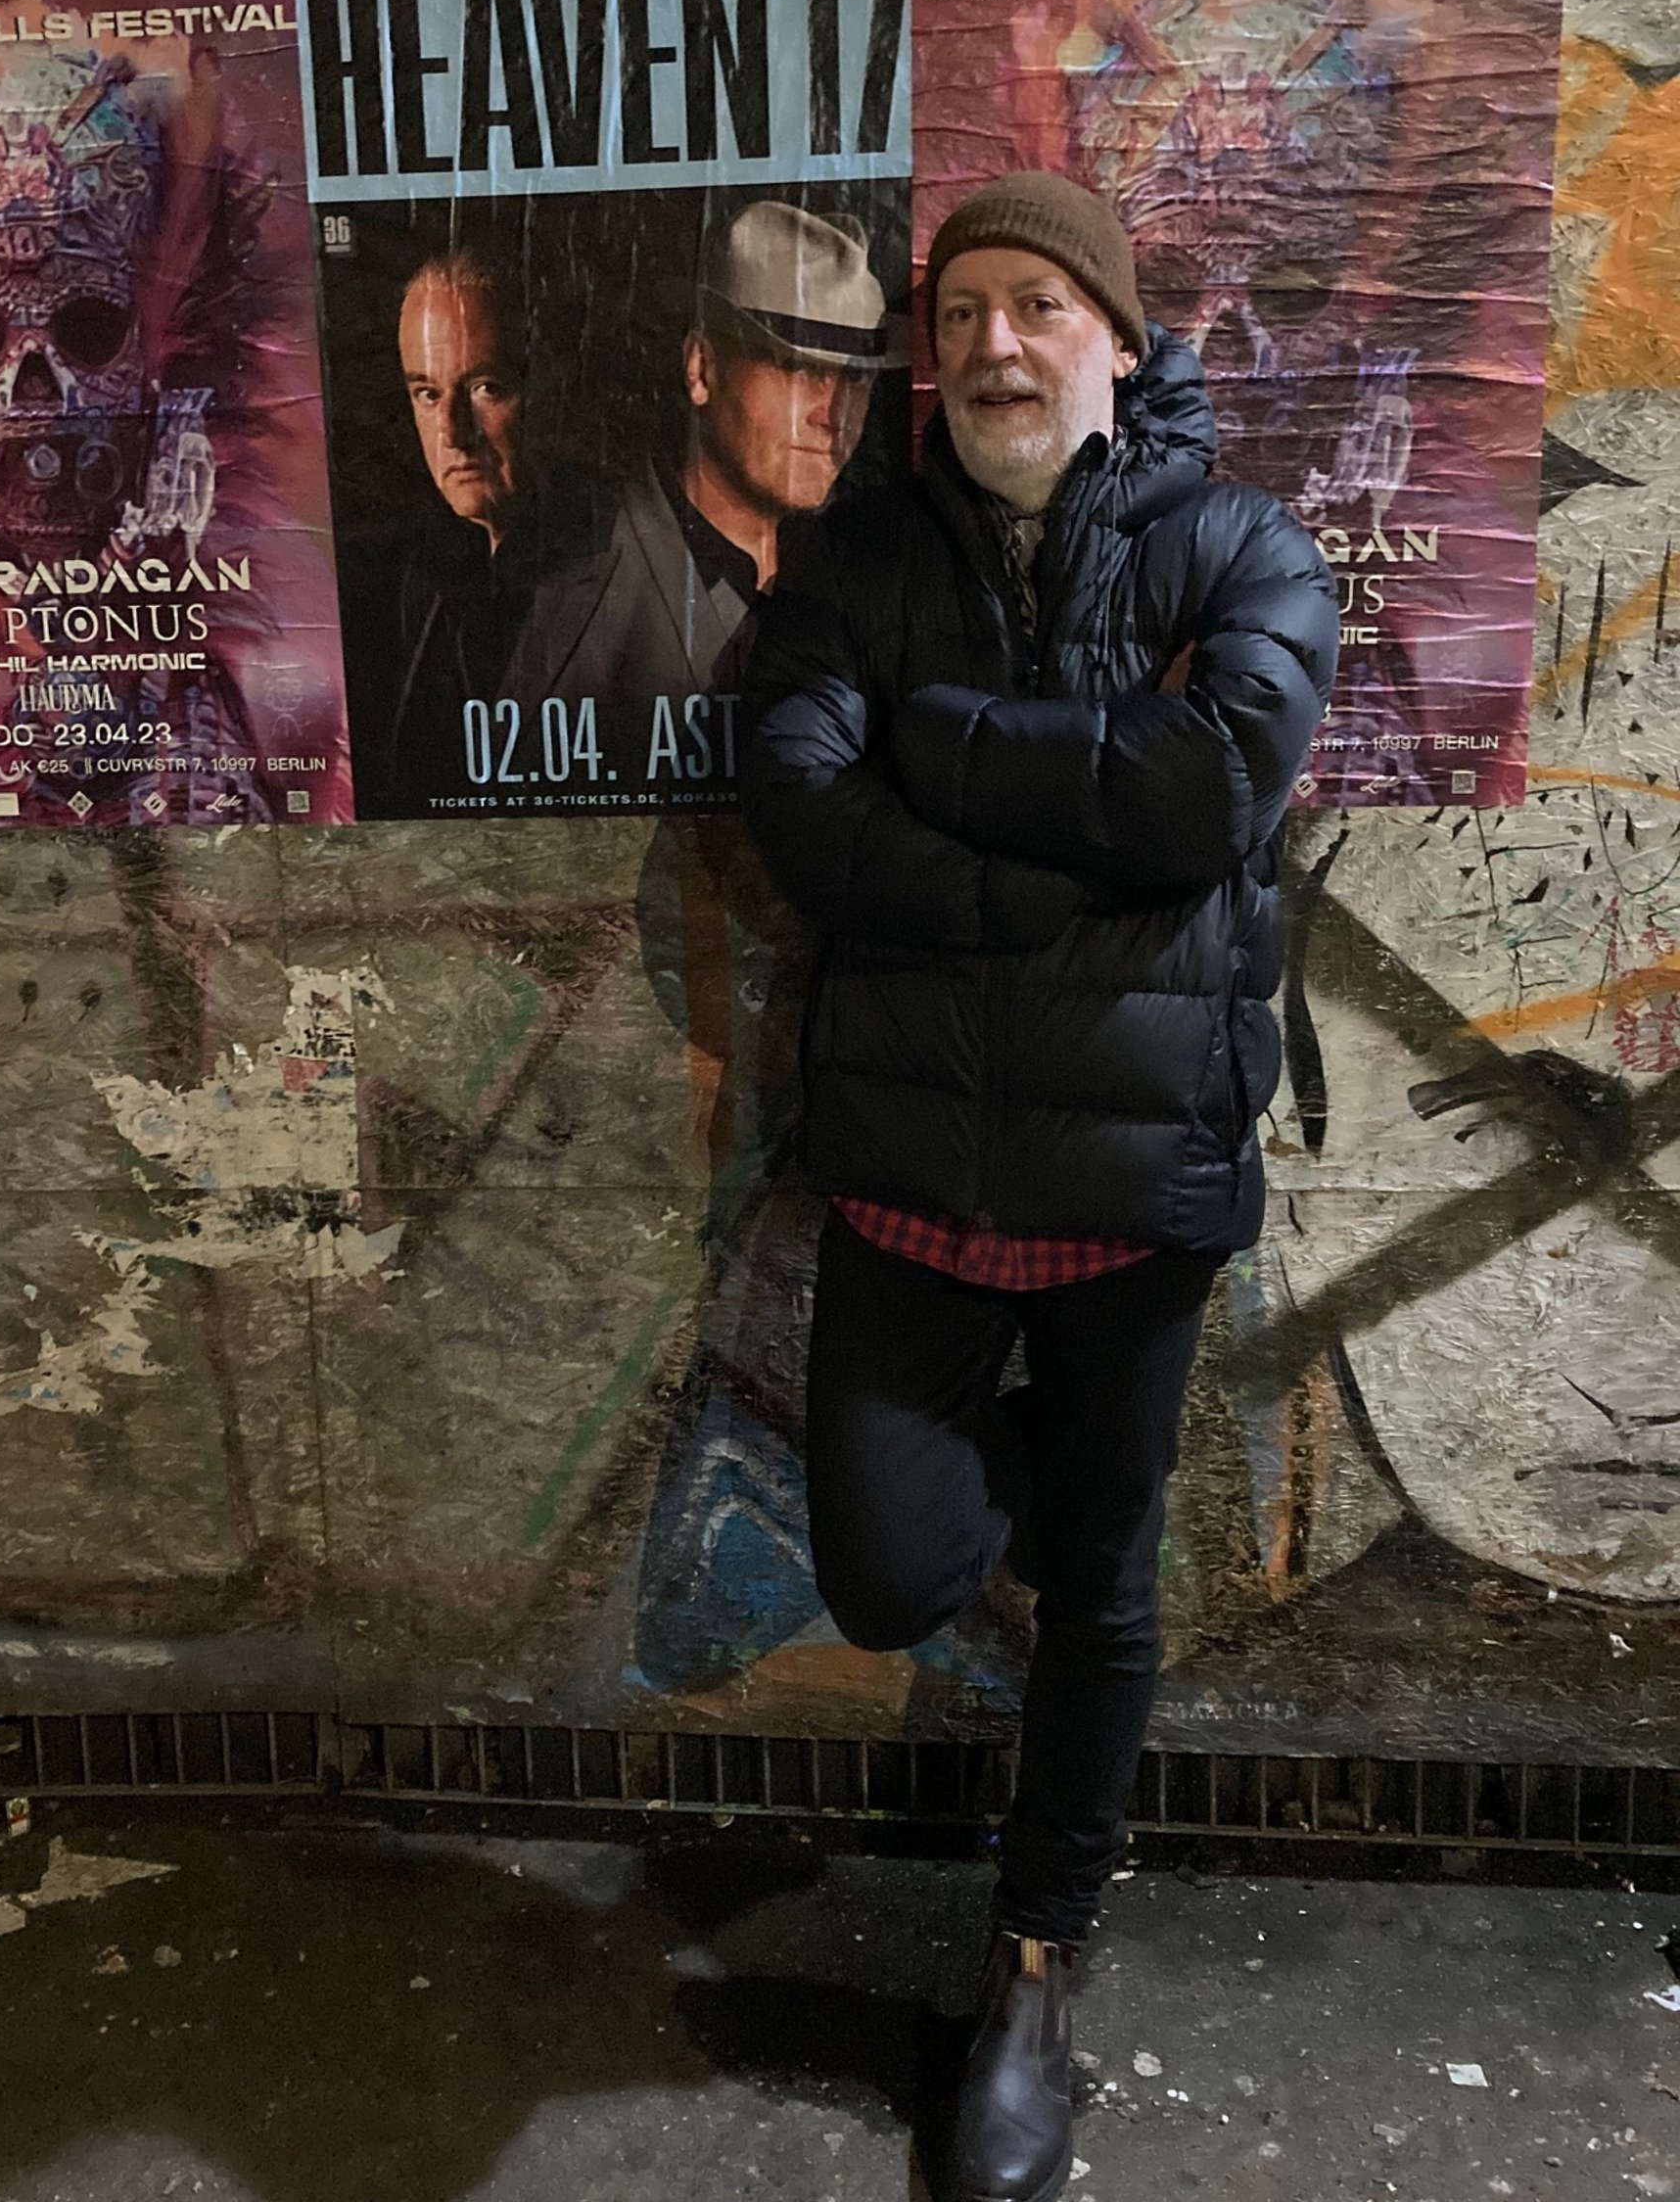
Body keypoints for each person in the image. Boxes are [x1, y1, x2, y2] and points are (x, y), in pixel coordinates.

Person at [739, 171, 1339, 2202]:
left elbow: (1214, 786)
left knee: (1100, 1597)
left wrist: (952, 754)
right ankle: (1023, 1464)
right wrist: (1058, 872)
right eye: (964, 311)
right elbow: (802, 810)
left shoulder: (1243, 547)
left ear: (1118, 336)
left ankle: (1030, 1976)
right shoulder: (857, 559)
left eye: (1038, 306)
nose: (995, 343)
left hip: (1134, 1194)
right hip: (914, 1182)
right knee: (892, 1577)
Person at [505, 200, 894, 799]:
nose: (833, 414)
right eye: (797, 367)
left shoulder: (862, 575)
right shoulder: (582, 607)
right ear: (701, 367)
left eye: (856, 376)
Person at [341, 249, 537, 812]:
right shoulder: (422, 586)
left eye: (486, 388)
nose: (451, 433)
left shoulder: (626, 569)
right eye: (428, 394)